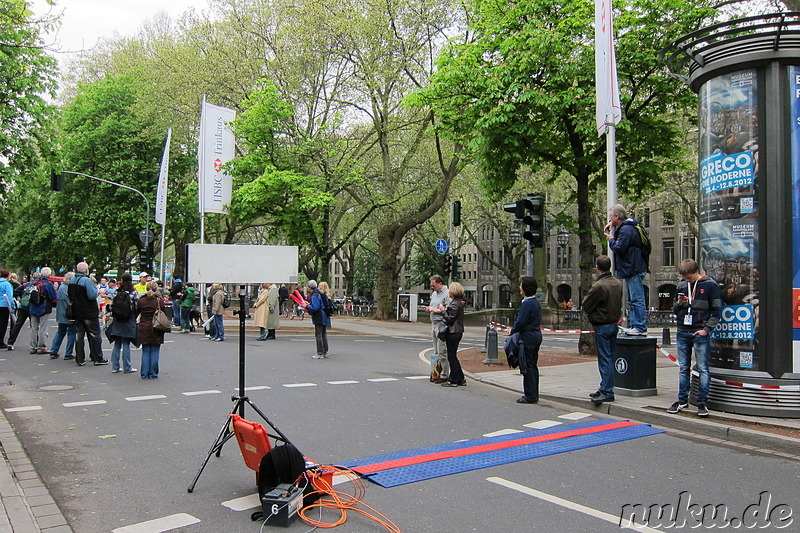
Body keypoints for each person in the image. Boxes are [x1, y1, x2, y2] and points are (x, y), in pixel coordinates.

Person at [668, 259, 722, 418]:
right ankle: (682, 400)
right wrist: (679, 303)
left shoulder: (710, 285)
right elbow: (675, 310)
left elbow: (716, 311)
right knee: (683, 367)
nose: (687, 281)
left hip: (699, 330)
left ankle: (702, 403)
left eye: (689, 278)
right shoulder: (682, 285)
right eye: (685, 278)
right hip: (683, 330)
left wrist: (706, 330)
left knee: (703, 368)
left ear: (697, 272)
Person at [581, 256, 623, 404]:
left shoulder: (599, 286)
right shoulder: (617, 283)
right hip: (613, 323)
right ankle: (606, 386)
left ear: (597, 267)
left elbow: (586, 305)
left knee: (604, 359)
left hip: (602, 324)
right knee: (610, 357)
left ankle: (607, 390)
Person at [604, 204, 648, 336]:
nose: (610, 219)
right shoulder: (627, 228)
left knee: (636, 299)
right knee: (632, 299)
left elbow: (619, 247)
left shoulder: (626, 230)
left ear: (617, 216)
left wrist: (611, 239)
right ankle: (635, 325)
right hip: (632, 268)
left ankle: (640, 326)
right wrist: (612, 226)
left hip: (632, 268)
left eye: (611, 216)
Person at [509, 277, 543, 402]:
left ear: (524, 289)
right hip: (535, 336)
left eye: (521, 286)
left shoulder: (527, 303)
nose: (519, 288)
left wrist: (512, 330)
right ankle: (534, 393)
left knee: (527, 366)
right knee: (532, 366)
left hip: (527, 337)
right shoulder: (535, 302)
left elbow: (521, 321)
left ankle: (530, 395)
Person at [68, 262, 109, 366]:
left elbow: (70, 295)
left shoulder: (72, 280)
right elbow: (92, 295)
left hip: (77, 311)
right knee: (95, 335)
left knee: (79, 336)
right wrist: (98, 292)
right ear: (86, 270)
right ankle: (97, 357)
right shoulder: (87, 281)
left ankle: (80, 358)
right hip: (89, 311)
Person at [106, 273, 139, 374]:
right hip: (129, 318)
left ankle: (115, 366)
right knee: (126, 343)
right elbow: (137, 305)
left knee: (117, 343)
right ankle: (127, 366)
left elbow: (112, 305)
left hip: (118, 319)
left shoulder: (117, 292)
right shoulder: (133, 292)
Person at [423, 275, 451, 383]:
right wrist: (429, 309)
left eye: (433, 285)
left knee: (442, 350)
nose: (432, 287)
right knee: (436, 351)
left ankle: (444, 374)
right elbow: (434, 307)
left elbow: (448, 310)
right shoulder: (434, 294)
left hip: (441, 325)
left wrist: (434, 310)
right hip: (433, 324)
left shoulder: (447, 294)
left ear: (440, 283)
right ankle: (436, 373)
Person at [438, 281, 466, 387]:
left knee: (452, 356)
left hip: (453, 332)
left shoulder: (455, 304)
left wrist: (442, 311)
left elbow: (450, 320)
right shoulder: (458, 302)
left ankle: (453, 379)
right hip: (457, 331)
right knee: (453, 355)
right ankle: (460, 377)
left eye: (450, 289)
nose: (448, 291)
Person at [137, 280, 166, 379]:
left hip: (144, 326)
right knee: (155, 351)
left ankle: (144, 373)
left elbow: (137, 312)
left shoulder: (141, 300)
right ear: (155, 288)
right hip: (156, 327)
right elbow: (164, 314)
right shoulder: (159, 300)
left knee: (145, 351)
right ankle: (153, 373)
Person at [28, 267, 58, 355]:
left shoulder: (33, 283)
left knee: (34, 328)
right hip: (44, 307)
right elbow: (53, 297)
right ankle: (41, 347)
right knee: (43, 328)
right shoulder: (48, 284)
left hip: (33, 307)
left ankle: (33, 347)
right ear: (49, 274)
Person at [49, 272, 77, 360]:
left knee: (60, 332)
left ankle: (54, 351)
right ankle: (68, 353)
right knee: (71, 333)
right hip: (70, 313)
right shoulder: (71, 288)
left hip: (60, 313)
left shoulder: (61, 287)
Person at [303, 280, 331, 359]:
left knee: (318, 334)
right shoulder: (320, 293)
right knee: (323, 334)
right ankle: (325, 351)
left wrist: (307, 306)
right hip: (324, 315)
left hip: (319, 316)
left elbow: (315, 307)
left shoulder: (315, 295)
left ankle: (320, 353)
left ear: (309, 287)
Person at [0, 269, 15, 349]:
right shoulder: (7, 284)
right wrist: (12, 307)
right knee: (3, 324)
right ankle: (0, 341)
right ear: (8, 275)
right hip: (4, 305)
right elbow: (9, 297)